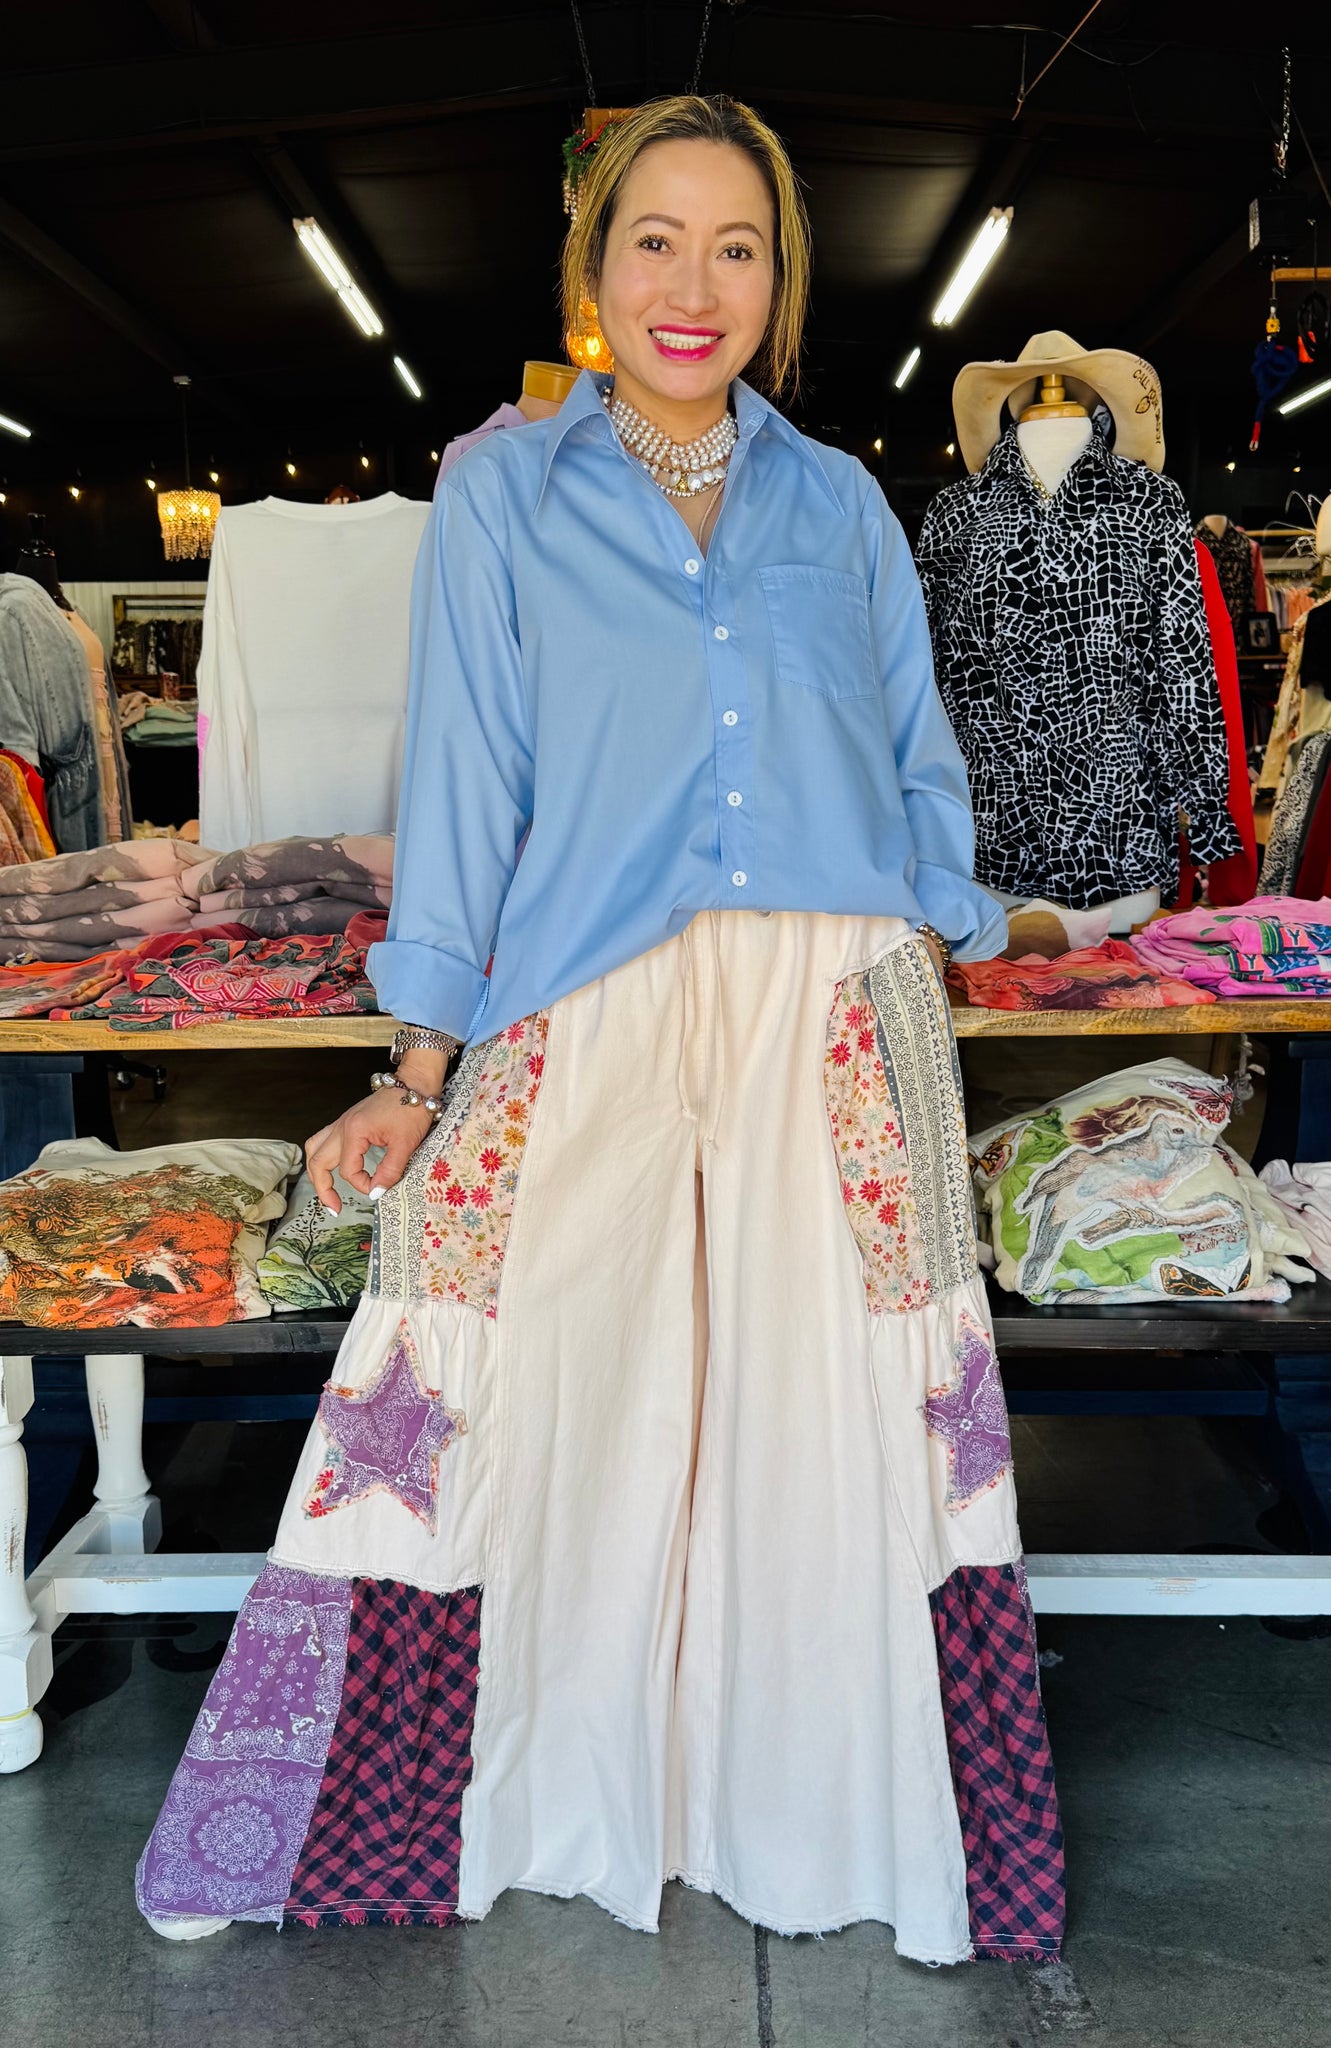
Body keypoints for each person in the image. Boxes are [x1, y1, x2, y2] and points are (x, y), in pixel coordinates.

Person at [137, 94, 1064, 1966]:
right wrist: (418, 1064)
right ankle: (412, 1804)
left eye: (737, 246)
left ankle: (820, 1808)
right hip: (591, 992)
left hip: (830, 1006)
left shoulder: (841, 502)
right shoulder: (505, 494)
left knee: (844, 1407)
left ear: (782, 280)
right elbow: (467, 781)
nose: (692, 284)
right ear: (593, 266)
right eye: (655, 239)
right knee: (497, 1366)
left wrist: (952, 922)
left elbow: (916, 751)